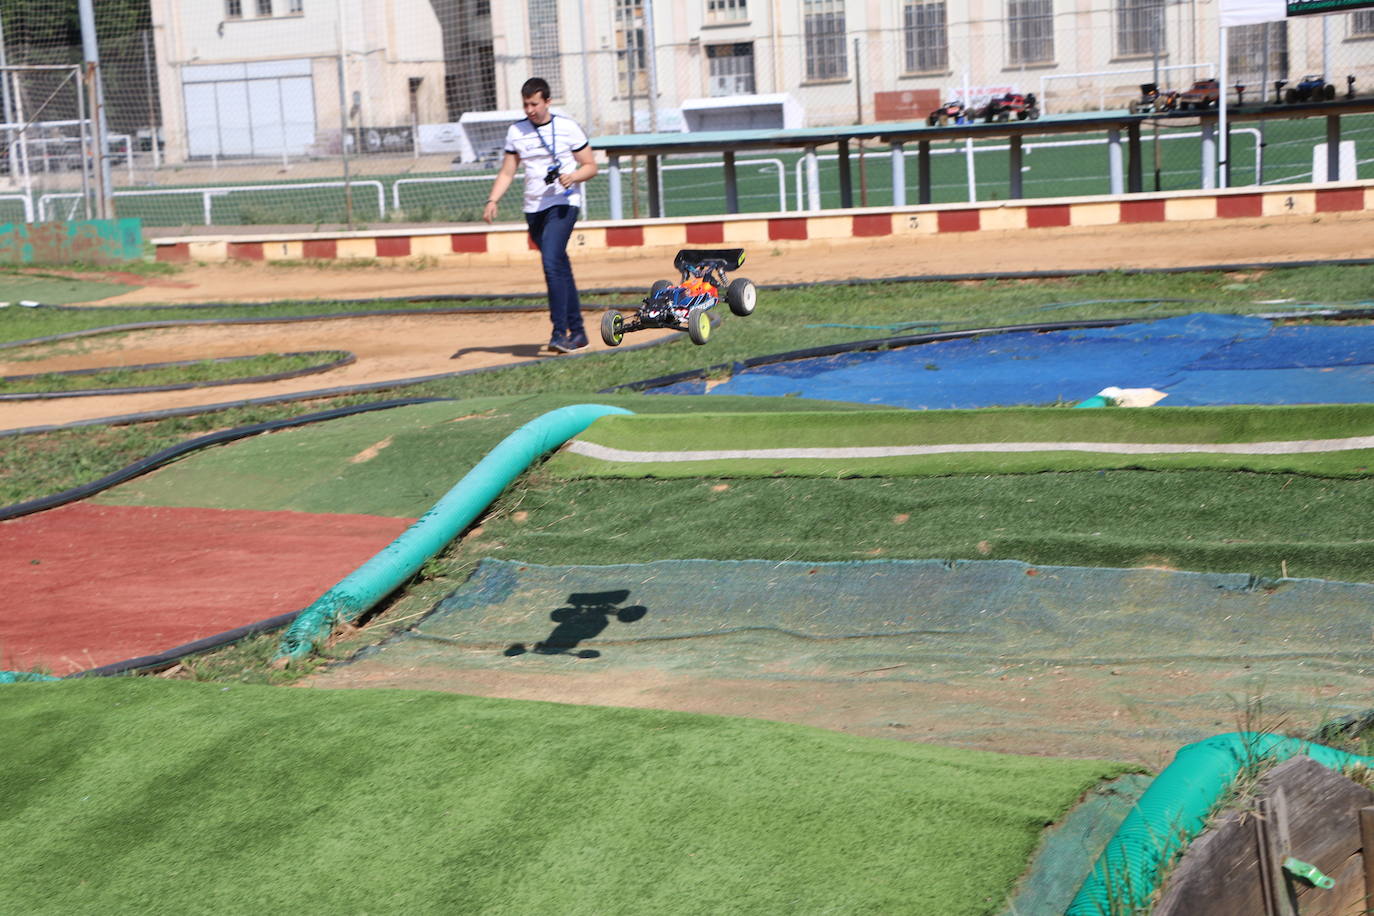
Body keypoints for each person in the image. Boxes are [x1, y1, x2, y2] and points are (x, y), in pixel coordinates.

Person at [483, 78, 598, 353]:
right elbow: (508, 171)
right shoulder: (516, 132)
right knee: (558, 265)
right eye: (525, 104)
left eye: (534, 103)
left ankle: (559, 333)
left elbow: (591, 165)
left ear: (547, 101)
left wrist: (574, 176)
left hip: (563, 203)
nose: (530, 109)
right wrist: (493, 199)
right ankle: (579, 332)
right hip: (533, 209)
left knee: (551, 263)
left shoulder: (567, 127)